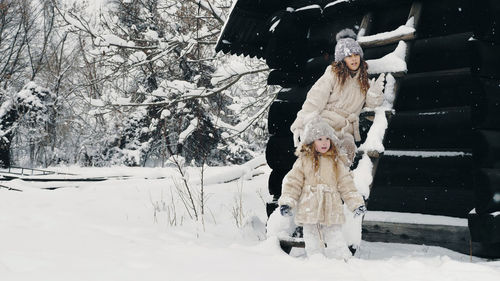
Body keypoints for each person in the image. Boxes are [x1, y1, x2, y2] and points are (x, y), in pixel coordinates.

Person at [290, 28, 385, 165]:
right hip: (326, 123)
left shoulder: (365, 82)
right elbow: (315, 98)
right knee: (325, 154)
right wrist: (300, 123)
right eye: (349, 56)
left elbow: (370, 108)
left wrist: (374, 95)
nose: (353, 59)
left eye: (356, 55)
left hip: (347, 129)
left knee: (347, 153)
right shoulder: (333, 74)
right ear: (342, 59)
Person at [278, 117, 367, 260]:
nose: (324, 142)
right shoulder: (303, 160)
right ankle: (316, 264)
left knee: (335, 237)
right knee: (312, 239)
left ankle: (343, 263)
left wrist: (356, 204)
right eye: (319, 139)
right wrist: (287, 202)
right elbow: (293, 182)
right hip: (310, 206)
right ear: (312, 141)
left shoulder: (336, 161)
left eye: (327, 138)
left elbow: (346, 184)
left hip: (331, 206)